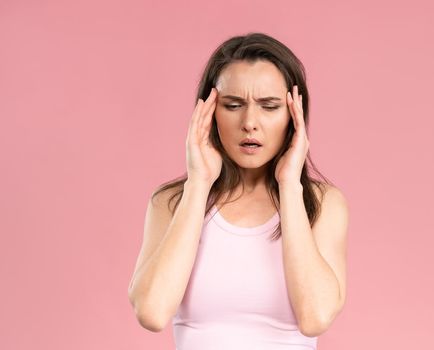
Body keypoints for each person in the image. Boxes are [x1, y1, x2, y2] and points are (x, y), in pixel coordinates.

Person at [127, 32, 349, 349]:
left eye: (269, 107)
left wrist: (289, 186)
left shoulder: (323, 204)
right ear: (208, 112)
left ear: (294, 116)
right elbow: (151, 313)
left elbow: (316, 317)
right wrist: (199, 183)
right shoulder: (172, 202)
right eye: (233, 105)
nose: (249, 122)